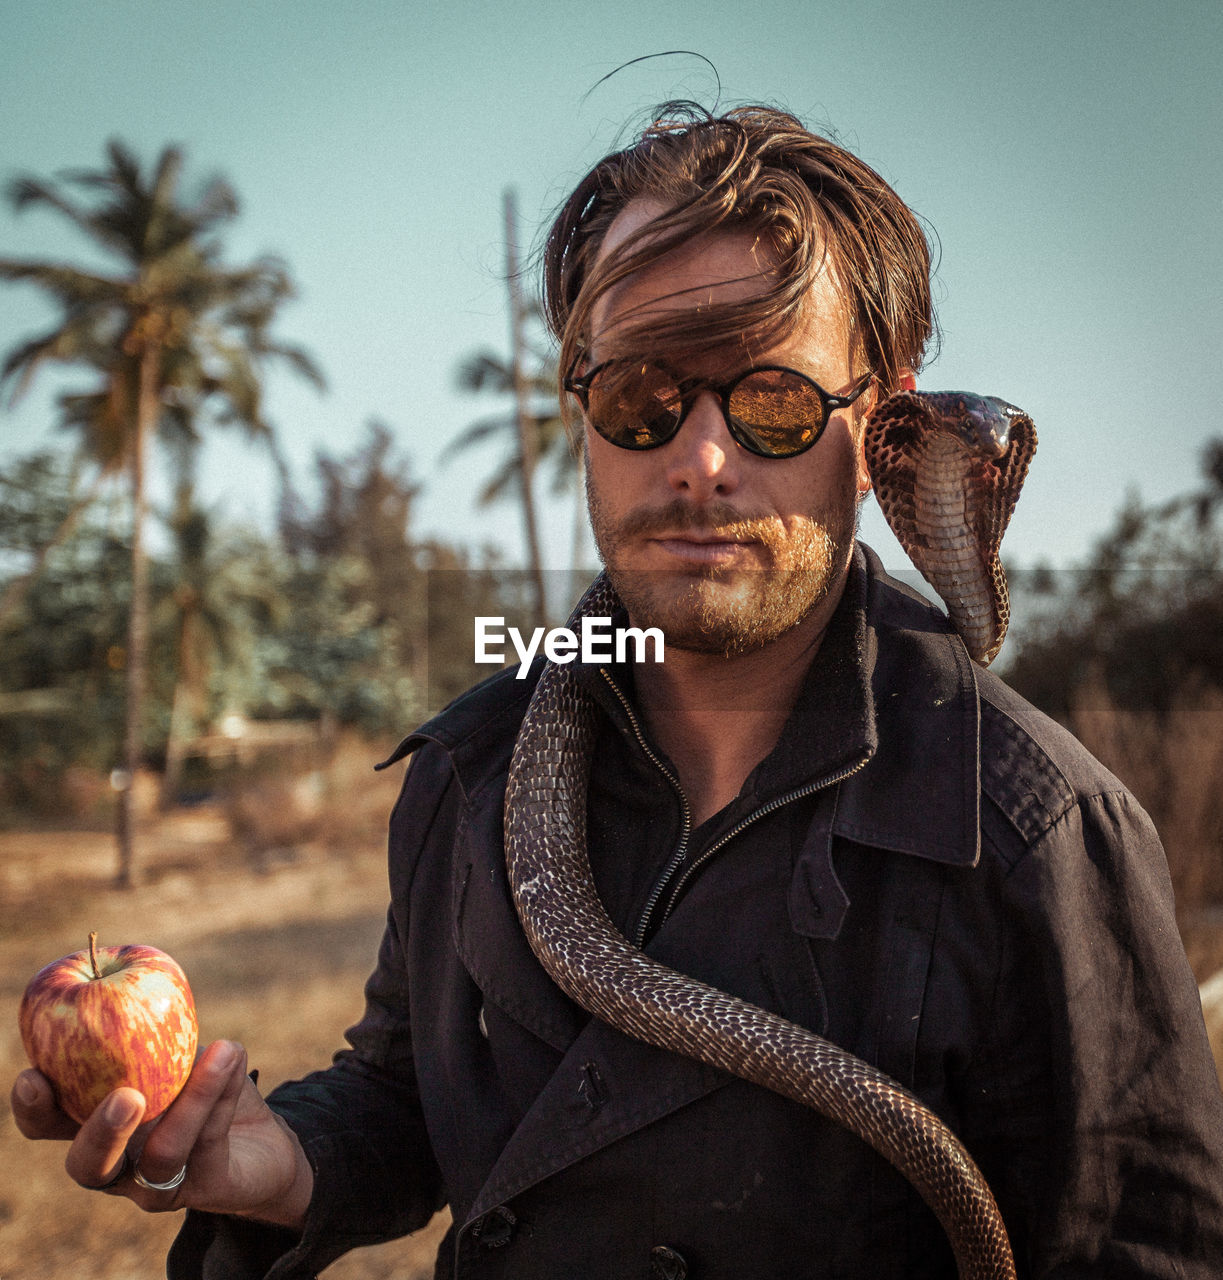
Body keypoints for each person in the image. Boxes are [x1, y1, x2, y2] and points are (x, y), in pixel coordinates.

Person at [12, 104, 1223, 1280]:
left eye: (773, 402)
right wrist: (278, 1160)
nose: (700, 462)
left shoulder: (1033, 830)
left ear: (882, 419)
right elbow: (408, 1094)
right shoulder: (470, 767)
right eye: (644, 399)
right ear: (578, 408)